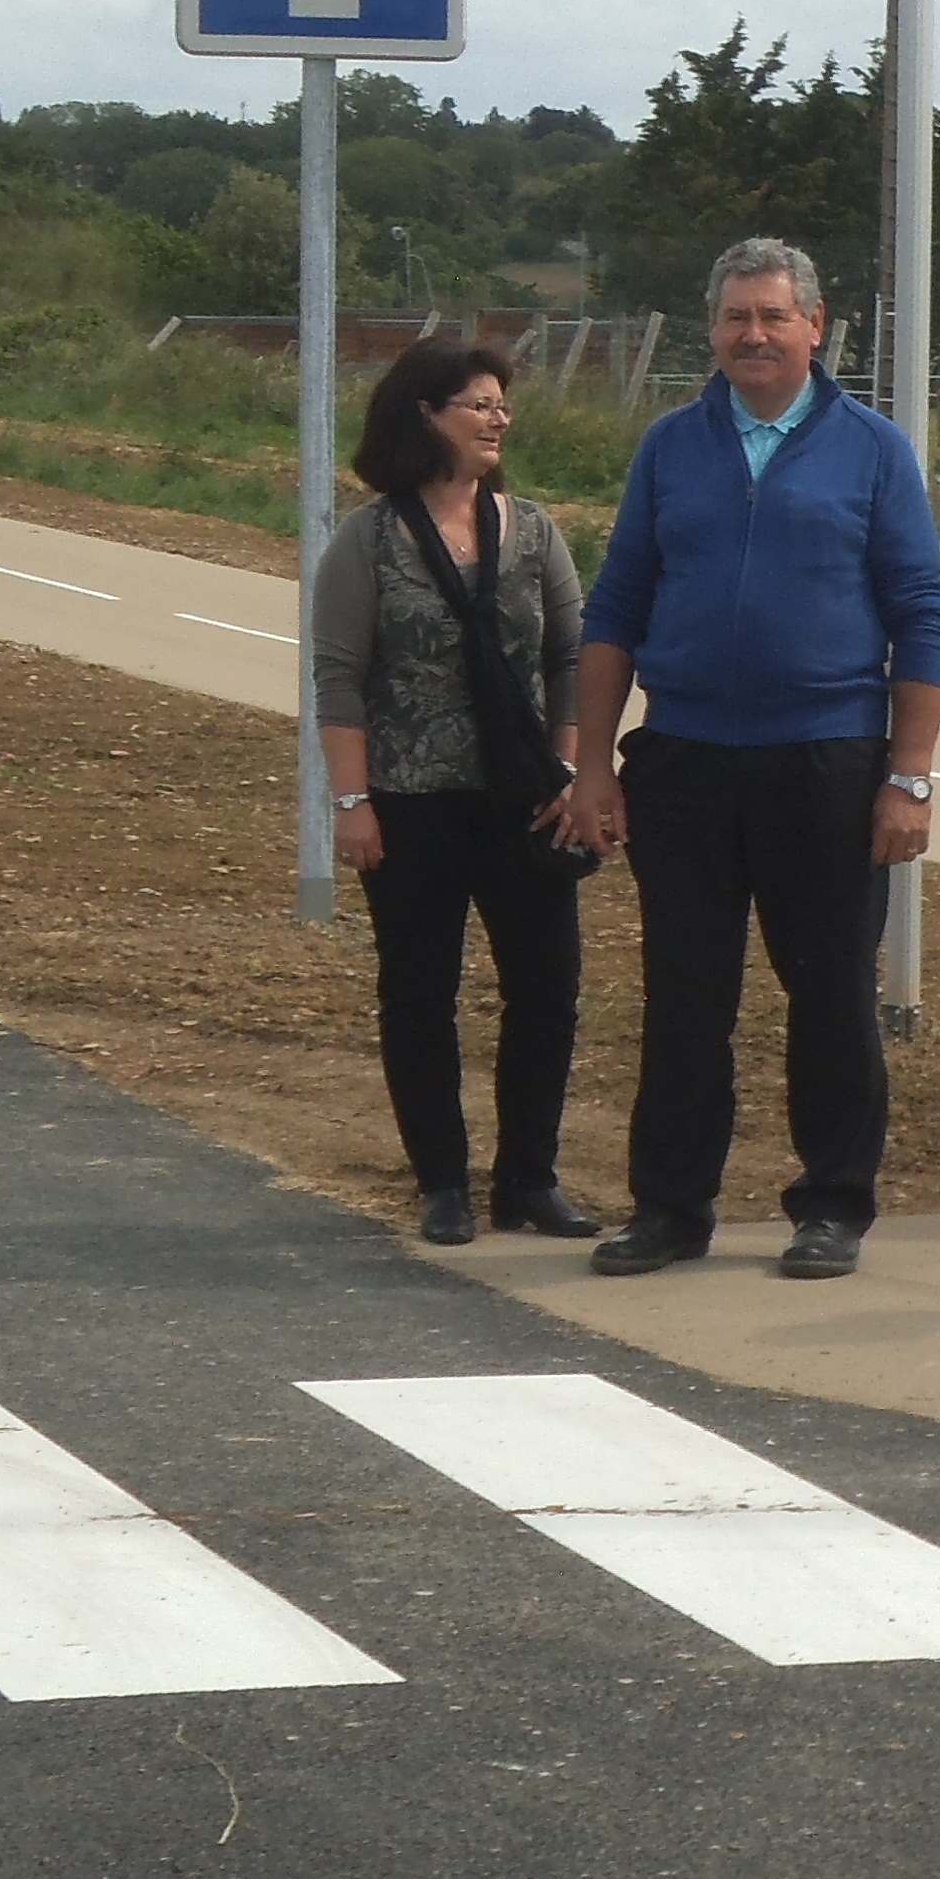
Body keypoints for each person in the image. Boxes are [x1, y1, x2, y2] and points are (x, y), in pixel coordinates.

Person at [555, 238, 940, 1284]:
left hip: (826, 763)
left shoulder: (872, 450)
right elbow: (616, 609)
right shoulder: (670, 447)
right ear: (714, 329)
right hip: (684, 762)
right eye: (736, 317)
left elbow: (921, 613)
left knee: (829, 999)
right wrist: (592, 769)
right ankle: (670, 1209)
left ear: (815, 326)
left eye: (774, 316)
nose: (754, 335)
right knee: (686, 997)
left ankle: (831, 1206)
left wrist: (909, 775)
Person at [312, 336, 594, 1248]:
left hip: (523, 803)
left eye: (502, 403)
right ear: (425, 416)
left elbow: (569, 658)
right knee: (420, 995)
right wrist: (351, 805)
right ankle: (442, 1183)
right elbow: (340, 677)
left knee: (546, 993)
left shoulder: (535, 531)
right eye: (478, 403)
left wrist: (566, 771)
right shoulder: (368, 541)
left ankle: (530, 1179)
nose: (498, 418)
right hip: (410, 803)